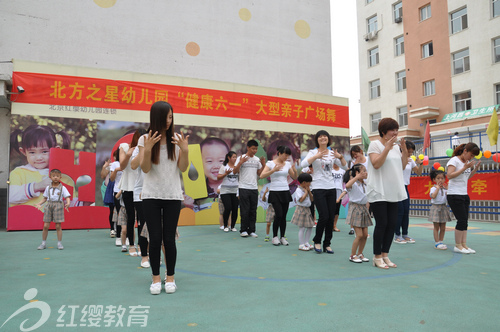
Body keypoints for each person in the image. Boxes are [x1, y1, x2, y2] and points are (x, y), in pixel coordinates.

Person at [138, 101, 189, 295]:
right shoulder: (145, 139)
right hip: (151, 195)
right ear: (156, 117)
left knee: (169, 239)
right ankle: (155, 279)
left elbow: (183, 168)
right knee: (155, 238)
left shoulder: (176, 139)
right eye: (165, 116)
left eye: (171, 116)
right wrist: (149, 148)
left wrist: (184, 150)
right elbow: (145, 168)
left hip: (172, 196)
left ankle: (170, 278)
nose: (168, 121)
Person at [366, 118, 408, 269]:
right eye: (392, 130)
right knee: (382, 224)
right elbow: (376, 164)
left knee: (391, 224)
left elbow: (402, 166)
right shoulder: (374, 144)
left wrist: (403, 150)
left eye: (397, 130)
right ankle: (377, 257)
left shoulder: (396, 147)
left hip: (393, 190)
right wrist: (387, 148)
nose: (395, 132)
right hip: (378, 190)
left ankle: (385, 255)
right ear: (383, 132)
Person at [300, 130, 346, 254]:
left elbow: (345, 166)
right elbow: (302, 164)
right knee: (324, 216)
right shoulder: (312, 152)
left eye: (325, 136)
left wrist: (340, 157)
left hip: (330, 187)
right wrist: (316, 157)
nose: (323, 138)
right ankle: (317, 241)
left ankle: (327, 244)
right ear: (317, 139)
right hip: (318, 187)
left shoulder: (332, 153)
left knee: (330, 217)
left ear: (328, 139)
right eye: (320, 137)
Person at [9, 125, 71, 207]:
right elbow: (11, 197)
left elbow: (71, 203)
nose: (38, 158)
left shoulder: (64, 176)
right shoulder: (18, 173)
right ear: (24, 151)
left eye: (44, 151)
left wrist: (83, 202)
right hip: (26, 219)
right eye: (32, 152)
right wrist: (36, 187)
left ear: (56, 150)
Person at [446, 143, 480, 254]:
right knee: (461, 219)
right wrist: (464, 168)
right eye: (471, 154)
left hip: (464, 194)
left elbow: (466, 177)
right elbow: (449, 175)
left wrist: (474, 170)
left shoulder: (466, 163)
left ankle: (464, 244)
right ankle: (458, 245)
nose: (471, 157)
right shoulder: (454, 161)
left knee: (465, 220)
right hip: (454, 194)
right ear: (465, 151)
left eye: (474, 156)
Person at [260, 145, 298, 246]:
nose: (286, 157)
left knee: (283, 216)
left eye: (288, 155)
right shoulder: (271, 163)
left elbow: (294, 176)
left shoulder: (288, 164)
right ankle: (274, 237)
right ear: (279, 153)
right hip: (275, 191)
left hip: (285, 191)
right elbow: (262, 175)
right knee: (278, 215)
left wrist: (294, 169)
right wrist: (273, 170)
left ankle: (282, 237)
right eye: (285, 155)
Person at [119, 129, 145, 256]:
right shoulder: (124, 147)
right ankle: (131, 245)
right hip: (128, 187)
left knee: (142, 219)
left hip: (141, 188)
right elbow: (122, 166)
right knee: (131, 218)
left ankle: (141, 245)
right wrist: (129, 154)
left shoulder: (145, 149)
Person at [232, 140, 265, 238]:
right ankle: (243, 230)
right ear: (248, 148)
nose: (255, 150)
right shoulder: (240, 158)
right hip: (243, 187)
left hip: (254, 188)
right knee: (244, 210)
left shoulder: (257, 159)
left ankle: (252, 230)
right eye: (253, 148)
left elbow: (260, 174)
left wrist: (263, 165)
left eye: (256, 149)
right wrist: (240, 163)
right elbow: (234, 171)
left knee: (253, 210)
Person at [394, 141, 423, 244]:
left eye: (411, 152)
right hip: (396, 187)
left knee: (406, 211)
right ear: (402, 149)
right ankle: (397, 234)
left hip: (405, 187)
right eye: (408, 151)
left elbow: (418, 172)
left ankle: (405, 234)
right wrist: (404, 159)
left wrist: (421, 163)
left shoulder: (411, 160)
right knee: (399, 211)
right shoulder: (396, 158)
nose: (410, 153)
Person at [35, 169, 71, 250]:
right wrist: (39, 203)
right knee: (45, 225)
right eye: (54, 176)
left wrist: (68, 203)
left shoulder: (63, 188)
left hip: (58, 205)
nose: (55, 178)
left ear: (60, 177)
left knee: (58, 226)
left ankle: (59, 243)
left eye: (57, 176)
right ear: (50, 177)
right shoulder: (48, 188)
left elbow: (67, 197)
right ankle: (43, 243)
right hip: (49, 205)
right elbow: (45, 198)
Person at [344, 164, 372, 263]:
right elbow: (347, 186)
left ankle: (360, 253)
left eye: (365, 170)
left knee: (365, 234)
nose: (366, 172)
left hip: (364, 208)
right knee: (359, 235)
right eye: (363, 171)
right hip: (355, 208)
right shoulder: (354, 183)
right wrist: (356, 177)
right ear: (357, 173)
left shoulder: (366, 183)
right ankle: (352, 255)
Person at [130, 137, 150, 268]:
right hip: (140, 193)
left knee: (156, 226)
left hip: (157, 192)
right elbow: (133, 165)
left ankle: (154, 253)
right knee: (143, 225)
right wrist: (144, 148)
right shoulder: (139, 147)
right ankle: (144, 255)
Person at [428, 169, 452, 250]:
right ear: (434, 180)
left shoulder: (445, 189)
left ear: (445, 179)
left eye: (442, 178)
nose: (440, 180)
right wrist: (437, 188)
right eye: (438, 178)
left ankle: (441, 241)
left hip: (443, 207)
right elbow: (433, 196)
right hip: (436, 207)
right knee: (436, 226)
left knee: (443, 227)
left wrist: (448, 189)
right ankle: (437, 243)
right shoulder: (433, 188)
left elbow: (449, 197)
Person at [291, 173, 315, 251]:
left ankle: (306, 242)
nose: (310, 184)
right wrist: (306, 193)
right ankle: (301, 244)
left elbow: (312, 199)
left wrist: (309, 192)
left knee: (310, 226)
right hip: (301, 209)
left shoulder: (308, 189)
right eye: (309, 182)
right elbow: (301, 200)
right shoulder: (298, 190)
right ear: (304, 182)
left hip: (307, 209)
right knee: (302, 227)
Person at [348, 145, 369, 235]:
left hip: (368, 184)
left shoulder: (368, 159)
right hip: (357, 185)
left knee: (366, 205)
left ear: (361, 151)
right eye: (353, 155)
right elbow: (350, 176)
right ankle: (354, 228)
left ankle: (365, 229)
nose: (355, 156)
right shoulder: (353, 163)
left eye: (356, 154)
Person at [217, 151, 239, 232]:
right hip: (225, 191)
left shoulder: (237, 167)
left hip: (235, 191)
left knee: (235, 209)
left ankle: (232, 226)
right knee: (228, 207)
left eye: (236, 157)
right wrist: (226, 173)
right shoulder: (224, 166)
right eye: (233, 157)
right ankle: (225, 225)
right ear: (229, 158)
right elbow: (218, 177)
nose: (235, 158)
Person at [109, 149, 124, 247]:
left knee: (130, 215)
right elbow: (111, 178)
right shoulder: (114, 164)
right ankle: (118, 236)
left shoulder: (130, 162)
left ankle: (127, 237)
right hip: (117, 190)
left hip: (128, 190)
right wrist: (116, 170)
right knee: (119, 214)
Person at [332, 163, 345, 232]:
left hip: (339, 191)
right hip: (331, 190)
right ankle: (329, 225)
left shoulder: (342, 171)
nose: (335, 164)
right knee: (330, 209)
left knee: (337, 209)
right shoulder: (330, 170)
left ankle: (334, 225)